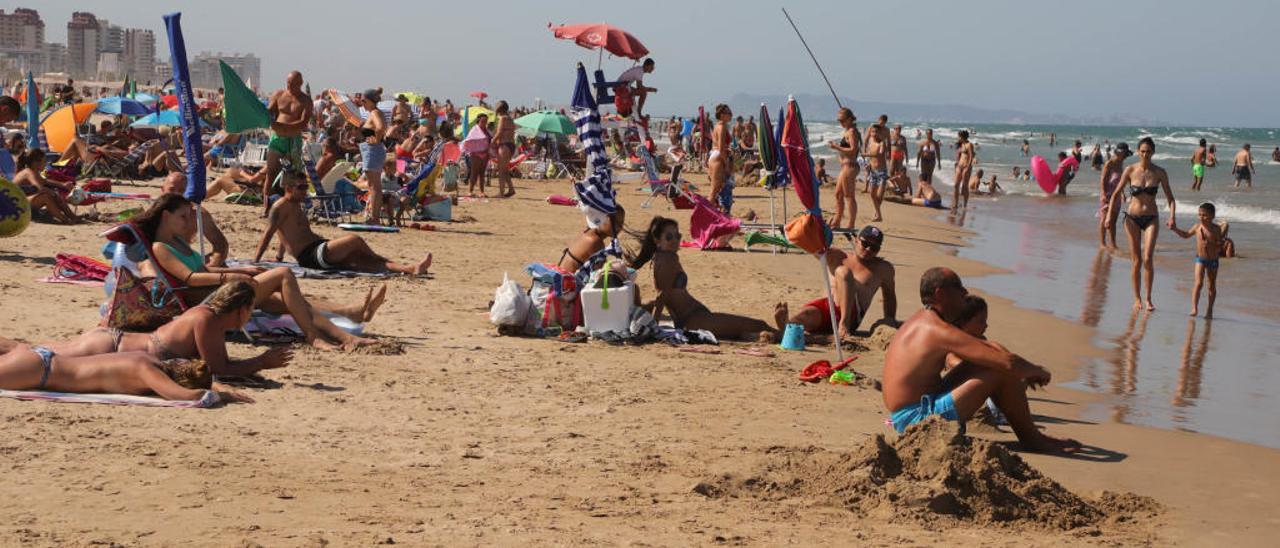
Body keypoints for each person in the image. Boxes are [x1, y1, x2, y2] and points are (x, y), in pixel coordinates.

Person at [138, 193, 381, 350]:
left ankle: (344, 333)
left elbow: (202, 270)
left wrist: (241, 269)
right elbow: (190, 279)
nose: (186, 222)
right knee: (284, 274)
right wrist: (230, 276)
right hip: (209, 301)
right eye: (182, 217)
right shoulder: (161, 248)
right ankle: (315, 335)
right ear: (166, 216)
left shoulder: (179, 244)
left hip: (216, 292)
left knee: (289, 299)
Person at [882, 267, 1081, 453]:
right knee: (1000, 368)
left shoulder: (923, 319)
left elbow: (994, 354)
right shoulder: (936, 330)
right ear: (939, 293)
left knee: (995, 351)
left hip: (916, 407)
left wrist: (1021, 368)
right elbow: (1008, 364)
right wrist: (1039, 371)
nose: (964, 292)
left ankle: (1032, 437)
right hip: (915, 419)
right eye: (958, 287)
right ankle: (1033, 440)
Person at [5, 282, 292, 377]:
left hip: (114, 344)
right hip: (112, 347)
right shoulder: (207, 320)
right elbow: (216, 369)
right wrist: (262, 363)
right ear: (240, 308)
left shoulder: (208, 318)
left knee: (35, 352)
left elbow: (219, 364)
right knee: (35, 354)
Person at [631, 217, 785, 342]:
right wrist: (654, 328)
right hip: (693, 319)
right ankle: (794, 336)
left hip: (695, 316)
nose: (675, 240)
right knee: (758, 324)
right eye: (669, 237)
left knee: (745, 329)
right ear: (657, 240)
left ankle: (766, 336)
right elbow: (662, 295)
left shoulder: (663, 257)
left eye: (677, 236)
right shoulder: (667, 260)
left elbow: (665, 294)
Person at [255, 171, 433, 276]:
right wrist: (255, 261)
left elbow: (285, 234)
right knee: (354, 240)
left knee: (360, 261)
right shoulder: (280, 206)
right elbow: (268, 234)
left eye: (305, 187)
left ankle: (410, 268)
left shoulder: (295, 204)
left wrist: (279, 258)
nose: (305, 191)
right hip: (310, 255)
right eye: (301, 188)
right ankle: (382, 259)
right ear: (288, 189)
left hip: (317, 248)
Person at [0, 346, 251, 404]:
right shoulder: (146, 371)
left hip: (41, 356)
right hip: (39, 372)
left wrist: (214, 383)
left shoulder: (147, 358)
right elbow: (184, 395)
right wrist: (223, 395)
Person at [785, 226, 897, 340]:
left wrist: (889, 321)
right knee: (805, 316)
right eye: (865, 243)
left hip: (851, 318)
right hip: (826, 310)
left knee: (843, 272)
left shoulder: (883, 269)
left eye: (874, 247)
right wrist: (811, 222)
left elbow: (889, 297)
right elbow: (807, 244)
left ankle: (844, 324)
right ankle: (784, 326)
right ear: (856, 240)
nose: (868, 249)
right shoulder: (837, 256)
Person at [1105, 137, 1175, 311]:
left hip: (1152, 218)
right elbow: (1115, 194)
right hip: (1132, 219)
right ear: (1138, 152)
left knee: (1148, 258)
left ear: (1153, 152)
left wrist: (1172, 216)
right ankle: (1137, 299)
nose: (1145, 154)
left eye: (1148, 151)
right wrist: (1108, 217)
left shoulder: (1160, 172)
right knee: (1136, 260)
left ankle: (1149, 299)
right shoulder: (1130, 170)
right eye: (1142, 151)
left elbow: (1171, 199)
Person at [264, 71, 314, 215]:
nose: (290, 86)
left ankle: (291, 207)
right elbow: (269, 112)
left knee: (293, 176)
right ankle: (266, 207)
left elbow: (303, 122)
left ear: (300, 84)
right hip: (277, 139)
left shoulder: (305, 100)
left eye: (293, 84)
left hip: (293, 140)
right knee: (270, 173)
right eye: (288, 83)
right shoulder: (279, 95)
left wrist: (286, 127)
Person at [1170, 203, 1224, 318]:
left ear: (1212, 216)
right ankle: (1194, 307)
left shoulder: (1216, 229)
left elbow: (1220, 245)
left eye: (1204, 215)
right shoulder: (1197, 227)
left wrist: (1213, 244)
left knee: (1211, 286)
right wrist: (1175, 229)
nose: (1201, 217)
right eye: (1199, 215)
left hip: (1213, 260)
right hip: (1200, 259)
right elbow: (1185, 235)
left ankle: (1209, 310)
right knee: (1198, 283)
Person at [13, 149, 81, 224]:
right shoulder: (28, 172)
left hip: (22, 202)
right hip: (16, 206)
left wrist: (62, 185)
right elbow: (39, 188)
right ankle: (65, 220)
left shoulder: (33, 171)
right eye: (44, 161)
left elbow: (45, 181)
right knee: (46, 197)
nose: (45, 164)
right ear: (36, 163)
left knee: (53, 195)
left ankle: (73, 217)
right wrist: (54, 194)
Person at [828, 108, 860, 229]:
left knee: (849, 196)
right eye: (839, 120)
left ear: (849, 119)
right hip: (845, 166)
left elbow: (853, 150)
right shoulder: (848, 131)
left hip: (850, 166)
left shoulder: (852, 132)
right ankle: (837, 221)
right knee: (838, 194)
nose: (840, 123)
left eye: (842, 120)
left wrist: (836, 147)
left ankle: (851, 224)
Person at [1098, 142, 1131, 249]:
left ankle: (1113, 243)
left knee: (1114, 221)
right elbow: (1103, 179)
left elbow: (1120, 181)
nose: (1125, 156)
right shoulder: (1110, 163)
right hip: (1107, 194)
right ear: (1119, 153)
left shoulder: (1120, 163)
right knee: (1104, 219)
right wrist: (1104, 194)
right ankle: (1102, 243)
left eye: (1126, 154)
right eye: (1125, 154)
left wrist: (1122, 193)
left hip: (1116, 196)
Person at [862, 116, 889, 222]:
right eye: (872, 132)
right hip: (873, 171)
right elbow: (871, 157)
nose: (874, 134)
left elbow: (880, 153)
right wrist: (867, 163)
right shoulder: (871, 143)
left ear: (880, 133)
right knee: (872, 195)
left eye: (876, 132)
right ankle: (878, 213)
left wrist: (866, 154)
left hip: (882, 172)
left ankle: (878, 214)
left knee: (879, 195)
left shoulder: (882, 143)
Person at [708, 104, 734, 214]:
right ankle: (706, 214)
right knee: (714, 190)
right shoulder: (722, 127)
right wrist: (727, 164)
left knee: (716, 189)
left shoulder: (717, 125)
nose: (731, 115)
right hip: (719, 158)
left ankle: (712, 213)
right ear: (722, 115)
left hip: (715, 156)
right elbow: (721, 147)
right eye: (728, 113)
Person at [493, 101, 517, 198]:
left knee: (501, 170)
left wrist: (492, 142)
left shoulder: (502, 118)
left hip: (504, 145)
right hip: (510, 145)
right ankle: (511, 189)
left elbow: (499, 133)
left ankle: (501, 192)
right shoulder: (510, 119)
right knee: (505, 169)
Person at [464, 113, 491, 197]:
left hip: (485, 153)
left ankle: (481, 191)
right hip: (475, 154)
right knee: (474, 172)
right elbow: (468, 140)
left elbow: (491, 140)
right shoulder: (474, 130)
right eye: (483, 121)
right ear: (478, 121)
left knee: (482, 173)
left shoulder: (487, 131)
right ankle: (470, 190)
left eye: (486, 121)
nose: (484, 123)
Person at [952, 130, 974, 211]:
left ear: (962, 137)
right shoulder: (961, 145)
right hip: (959, 166)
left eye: (959, 136)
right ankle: (955, 203)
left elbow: (971, 156)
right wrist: (956, 163)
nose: (958, 138)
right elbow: (959, 155)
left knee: (965, 186)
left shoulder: (969, 144)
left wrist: (968, 167)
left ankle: (965, 204)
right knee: (955, 185)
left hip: (966, 167)